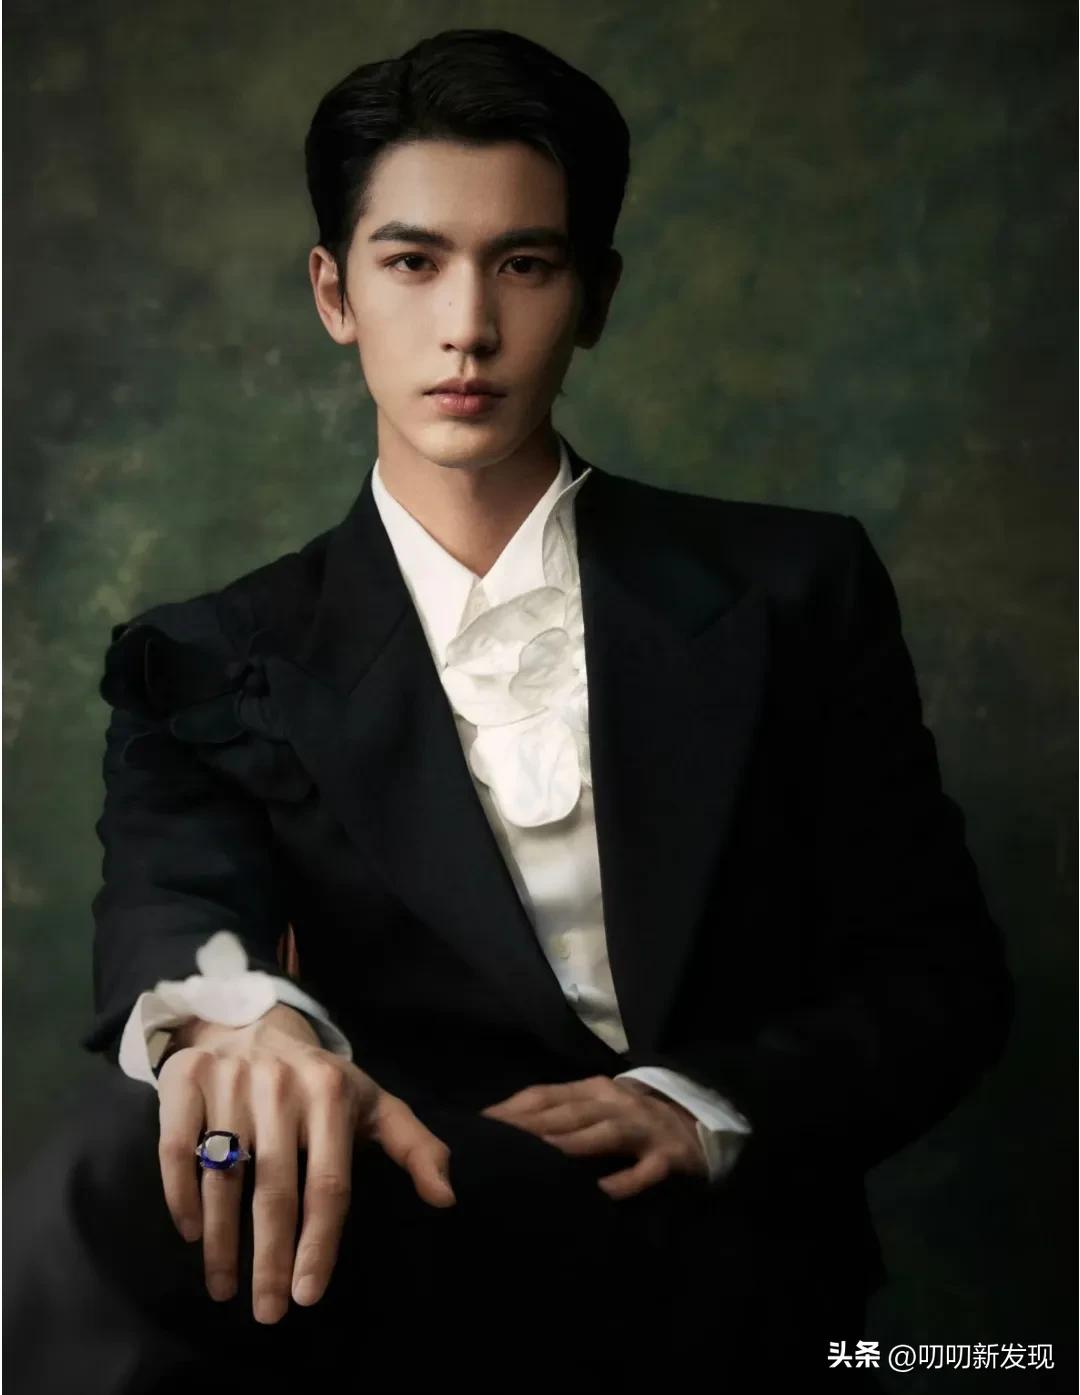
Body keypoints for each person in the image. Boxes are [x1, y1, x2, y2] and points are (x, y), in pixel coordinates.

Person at [5, 28, 1013, 1394]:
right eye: (412, 263)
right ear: (335, 293)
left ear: (594, 296)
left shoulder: (791, 590)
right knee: (156, 1149)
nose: (468, 328)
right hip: (400, 1228)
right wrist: (243, 1027)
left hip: (725, 1258)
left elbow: (937, 980)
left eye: (524, 265)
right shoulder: (208, 654)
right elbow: (178, 905)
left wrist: (697, 1103)